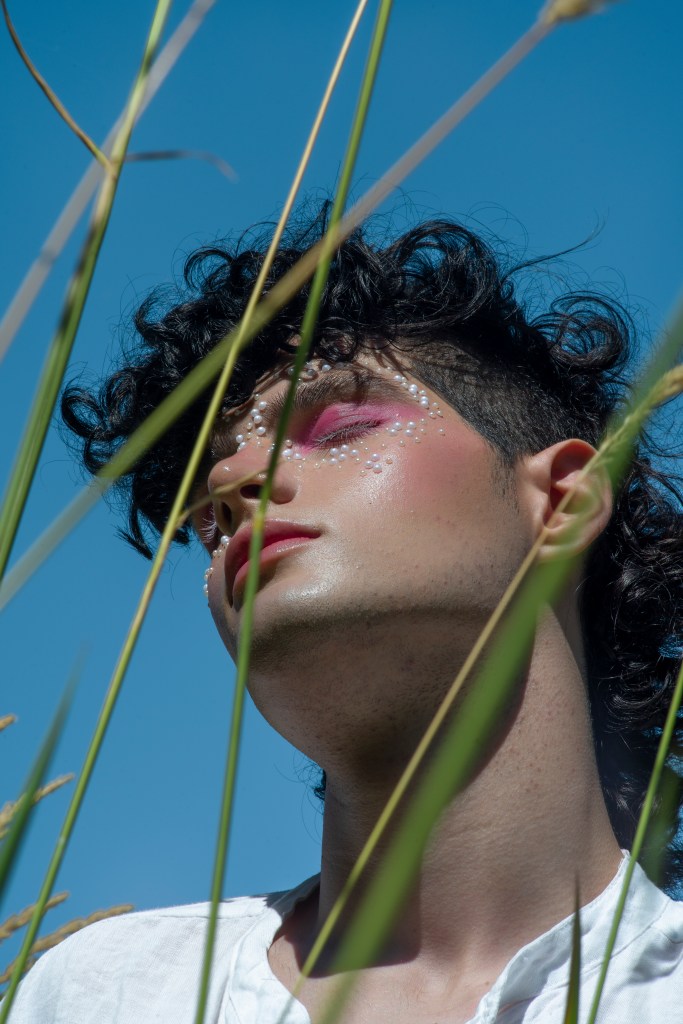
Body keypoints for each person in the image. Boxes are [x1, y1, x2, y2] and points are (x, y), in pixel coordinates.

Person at [11, 205, 683, 1022]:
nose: (232, 482)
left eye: (339, 427)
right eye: (205, 515)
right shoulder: (107, 994)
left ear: (561, 503)